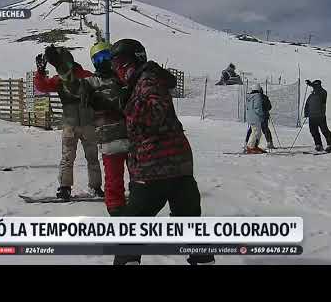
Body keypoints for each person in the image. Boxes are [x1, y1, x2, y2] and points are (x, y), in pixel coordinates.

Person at [109, 39, 215, 265]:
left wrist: (128, 102)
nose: (118, 70)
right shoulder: (145, 80)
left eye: (121, 63)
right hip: (176, 166)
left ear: (134, 60)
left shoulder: (147, 80)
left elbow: (154, 113)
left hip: (154, 168)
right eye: (115, 65)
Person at [34, 45, 103, 200]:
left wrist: (40, 72)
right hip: (85, 124)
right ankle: (95, 187)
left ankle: (66, 187)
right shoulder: (85, 75)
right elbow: (42, 86)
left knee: (68, 157)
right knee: (91, 158)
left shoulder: (63, 79)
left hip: (72, 124)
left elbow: (41, 86)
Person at [78, 42, 129, 216]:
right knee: (114, 180)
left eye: (106, 56)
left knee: (139, 179)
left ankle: (138, 211)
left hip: (133, 136)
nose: (103, 61)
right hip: (110, 139)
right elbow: (73, 83)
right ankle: (117, 214)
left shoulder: (122, 78)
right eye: (98, 58)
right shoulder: (91, 82)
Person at [304, 79, 331, 152]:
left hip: (320, 116)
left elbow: (321, 94)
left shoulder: (323, 93)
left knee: (325, 131)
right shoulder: (311, 95)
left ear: (318, 85)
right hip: (312, 117)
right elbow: (307, 104)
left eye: (315, 85)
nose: (314, 87)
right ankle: (318, 145)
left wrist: (311, 84)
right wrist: (306, 113)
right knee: (313, 131)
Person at [246, 83, 267, 154]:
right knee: (256, 132)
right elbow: (257, 108)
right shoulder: (257, 96)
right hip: (256, 117)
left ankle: (254, 146)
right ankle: (250, 147)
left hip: (250, 117)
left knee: (257, 133)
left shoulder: (250, 96)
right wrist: (262, 115)